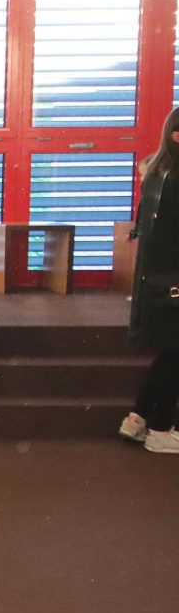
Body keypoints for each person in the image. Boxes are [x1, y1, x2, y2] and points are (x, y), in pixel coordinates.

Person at [119, 105, 179, 454]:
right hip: (172, 279)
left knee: (171, 354)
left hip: (158, 280)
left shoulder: (156, 171)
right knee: (175, 359)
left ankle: (138, 418)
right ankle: (159, 431)